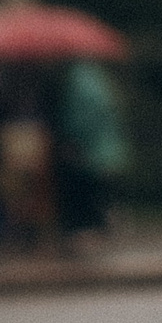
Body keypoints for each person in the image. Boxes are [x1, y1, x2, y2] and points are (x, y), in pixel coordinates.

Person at [53, 57, 128, 242]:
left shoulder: (79, 83)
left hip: (92, 153)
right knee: (104, 194)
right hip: (109, 150)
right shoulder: (98, 79)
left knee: (88, 192)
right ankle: (107, 226)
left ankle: (91, 229)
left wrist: (68, 138)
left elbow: (80, 120)